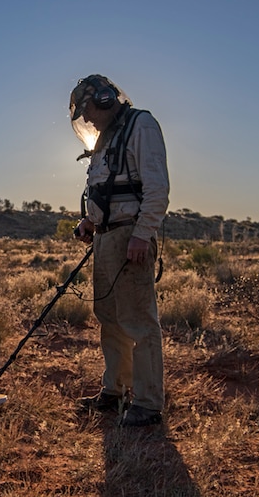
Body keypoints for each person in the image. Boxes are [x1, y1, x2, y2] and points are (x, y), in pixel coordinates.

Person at [68, 74, 170, 427]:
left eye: (90, 110)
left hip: (131, 239)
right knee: (109, 318)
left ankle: (148, 403)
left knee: (139, 322)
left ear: (107, 99)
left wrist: (142, 235)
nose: (88, 120)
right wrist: (90, 223)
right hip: (105, 239)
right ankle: (115, 391)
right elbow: (106, 190)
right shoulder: (105, 138)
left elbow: (157, 188)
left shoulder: (141, 125)